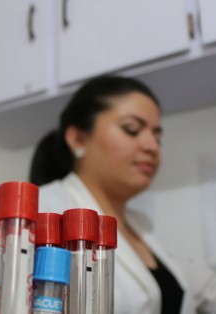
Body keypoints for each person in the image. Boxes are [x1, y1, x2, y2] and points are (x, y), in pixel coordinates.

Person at [31, 76, 196, 313]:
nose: (151, 146)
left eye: (157, 137)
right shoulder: (46, 211)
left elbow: (207, 291)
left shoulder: (143, 226)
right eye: (132, 130)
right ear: (78, 138)